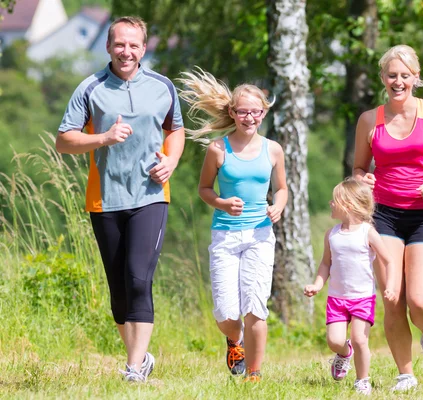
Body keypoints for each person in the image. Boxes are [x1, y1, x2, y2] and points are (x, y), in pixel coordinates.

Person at [55, 16, 185, 382]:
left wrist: (171, 160)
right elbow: (64, 140)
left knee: (139, 278)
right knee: (119, 290)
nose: (126, 51)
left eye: (133, 45)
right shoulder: (90, 88)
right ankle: (139, 358)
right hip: (105, 198)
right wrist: (103, 138)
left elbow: (175, 129)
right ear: (109, 47)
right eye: (119, 44)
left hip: (151, 196)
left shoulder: (162, 86)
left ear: (143, 48)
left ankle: (133, 369)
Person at [353, 44, 423, 391]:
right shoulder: (370, 120)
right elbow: (358, 167)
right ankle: (405, 374)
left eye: (405, 75)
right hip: (383, 215)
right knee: (391, 297)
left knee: (419, 300)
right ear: (383, 78)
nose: (398, 81)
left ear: (416, 77)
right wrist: (362, 178)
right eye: (391, 75)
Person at [178, 68, 288, 383]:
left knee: (255, 306)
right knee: (226, 314)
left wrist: (277, 206)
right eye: (243, 111)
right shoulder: (218, 149)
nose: (249, 117)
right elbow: (204, 190)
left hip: (259, 236)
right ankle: (234, 340)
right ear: (232, 112)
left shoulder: (272, 149)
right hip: (225, 235)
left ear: (264, 112)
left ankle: (254, 374)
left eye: (256, 112)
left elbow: (281, 189)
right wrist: (223, 203)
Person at [303, 178, 398, 395]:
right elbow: (326, 263)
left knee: (359, 338)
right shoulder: (332, 234)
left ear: (348, 205)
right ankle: (345, 354)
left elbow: (389, 261)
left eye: (334, 201)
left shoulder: (368, 232)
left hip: (363, 298)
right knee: (334, 341)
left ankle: (362, 380)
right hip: (337, 298)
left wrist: (390, 286)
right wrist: (317, 284)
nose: (330, 204)